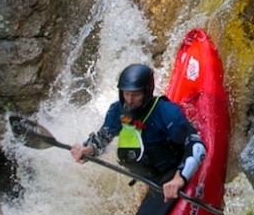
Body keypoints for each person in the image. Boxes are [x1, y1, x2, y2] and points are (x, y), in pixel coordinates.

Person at [70, 62, 206, 200]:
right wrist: (87, 150)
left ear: (147, 91)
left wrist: (180, 178)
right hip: (151, 179)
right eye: (126, 93)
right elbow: (102, 139)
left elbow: (197, 145)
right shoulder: (116, 111)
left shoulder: (166, 111)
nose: (129, 100)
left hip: (173, 173)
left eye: (135, 94)